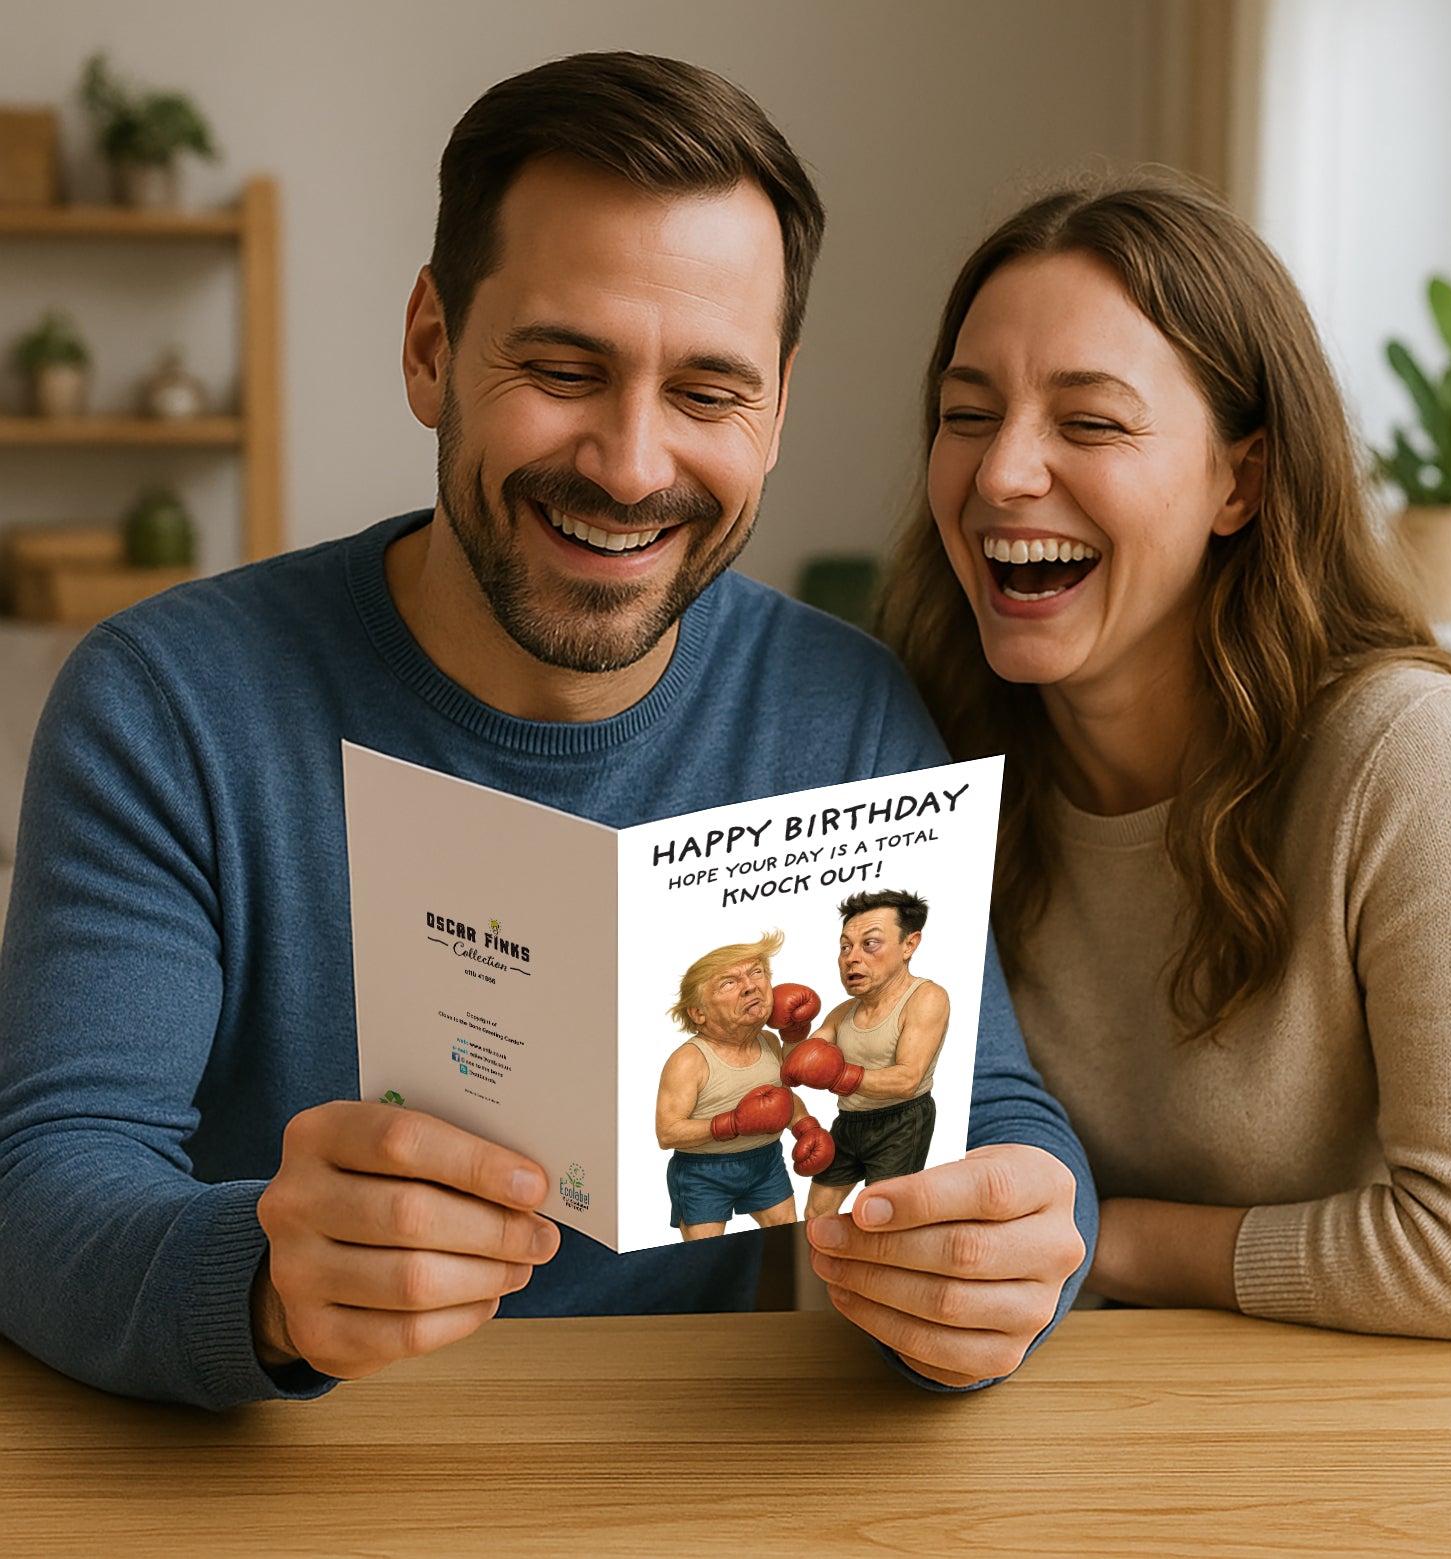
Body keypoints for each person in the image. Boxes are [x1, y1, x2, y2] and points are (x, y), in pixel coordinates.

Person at [0, 52, 1093, 1411]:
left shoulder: (844, 704)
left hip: (676, 1469)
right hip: (266, 1467)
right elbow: (42, 1182)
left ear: (777, 407)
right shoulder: (167, 701)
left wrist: (1016, 1250)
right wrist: (266, 1282)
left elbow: (989, 1108)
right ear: (429, 347)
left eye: (707, 392)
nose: (632, 465)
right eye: (563, 367)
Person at [878, 173, 1451, 1340]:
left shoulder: (1406, 753)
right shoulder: (911, 734)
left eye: (1088, 421)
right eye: (967, 412)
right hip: (1027, 1425)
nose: (999, 475)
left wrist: (1089, 1233)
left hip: (1352, 1451)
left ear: (1238, 481)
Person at [781, 891, 949, 1220]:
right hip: (849, 1122)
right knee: (816, 1212)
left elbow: (907, 1079)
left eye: (869, 944)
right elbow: (796, 1066)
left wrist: (839, 1076)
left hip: (901, 1121)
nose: (851, 958)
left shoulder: (926, 998)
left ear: (909, 945)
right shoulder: (842, 1012)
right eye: (845, 946)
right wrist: (792, 1032)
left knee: (882, 1217)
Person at [656, 932, 833, 1240]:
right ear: (699, 1013)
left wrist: (806, 1127)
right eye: (729, 982)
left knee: (787, 1243)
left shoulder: (768, 1040)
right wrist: (732, 1124)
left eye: (757, 973)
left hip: (765, 1162)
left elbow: (783, 1099)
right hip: (703, 1172)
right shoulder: (689, 1060)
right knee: (708, 1262)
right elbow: (667, 1132)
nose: (751, 985)